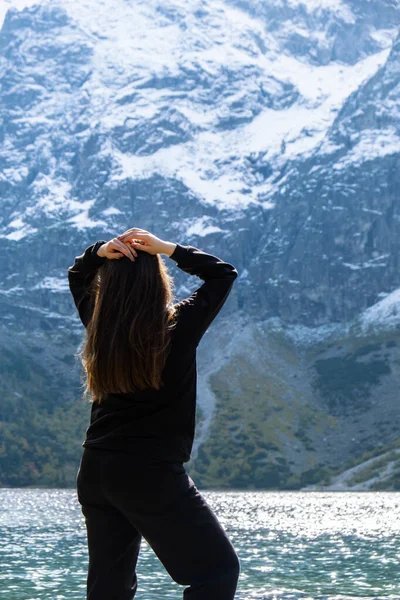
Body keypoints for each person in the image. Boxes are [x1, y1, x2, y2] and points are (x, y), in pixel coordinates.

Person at [67, 227, 240, 600]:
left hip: (96, 469)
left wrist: (99, 253)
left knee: (109, 587)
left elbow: (77, 276)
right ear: (158, 283)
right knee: (218, 572)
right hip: (149, 472)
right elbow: (222, 273)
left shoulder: (100, 329)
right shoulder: (177, 326)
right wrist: (169, 248)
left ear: (108, 286)